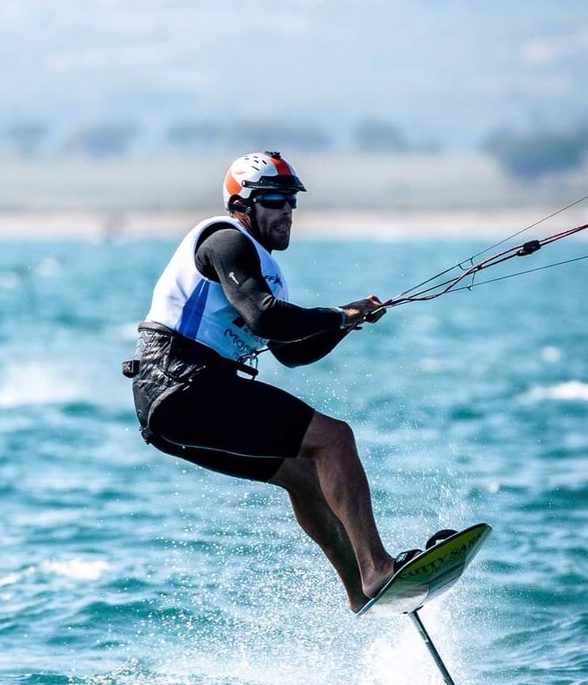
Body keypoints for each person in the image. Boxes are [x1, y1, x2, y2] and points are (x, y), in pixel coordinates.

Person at [125, 150, 419, 612]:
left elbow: (292, 351)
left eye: (292, 202)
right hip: (183, 382)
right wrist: (334, 315)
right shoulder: (226, 241)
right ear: (243, 204)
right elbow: (263, 318)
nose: (287, 211)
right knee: (334, 439)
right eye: (274, 200)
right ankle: (377, 567)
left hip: (168, 403)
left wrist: (344, 324)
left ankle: (360, 592)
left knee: (304, 474)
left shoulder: (265, 270)